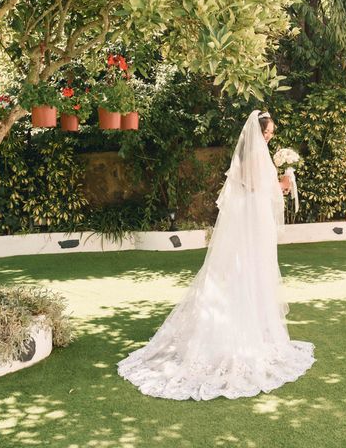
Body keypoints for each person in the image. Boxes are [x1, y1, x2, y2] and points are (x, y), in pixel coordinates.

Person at [117, 110, 315, 400]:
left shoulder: (255, 158)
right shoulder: (251, 159)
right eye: (266, 132)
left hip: (255, 225)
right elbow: (257, 190)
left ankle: (257, 331)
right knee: (245, 274)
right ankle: (239, 338)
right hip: (251, 226)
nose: (269, 136)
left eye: (271, 133)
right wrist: (283, 184)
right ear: (255, 133)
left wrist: (278, 184)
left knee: (254, 274)